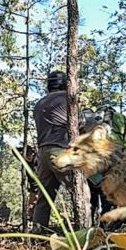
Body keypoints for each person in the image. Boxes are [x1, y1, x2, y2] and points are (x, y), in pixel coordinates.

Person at [32, 71, 78, 231]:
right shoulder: (67, 98)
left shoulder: (39, 103)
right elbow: (80, 122)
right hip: (60, 152)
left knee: (44, 198)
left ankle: (37, 233)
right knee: (80, 191)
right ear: (66, 83)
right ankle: (85, 232)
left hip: (42, 154)